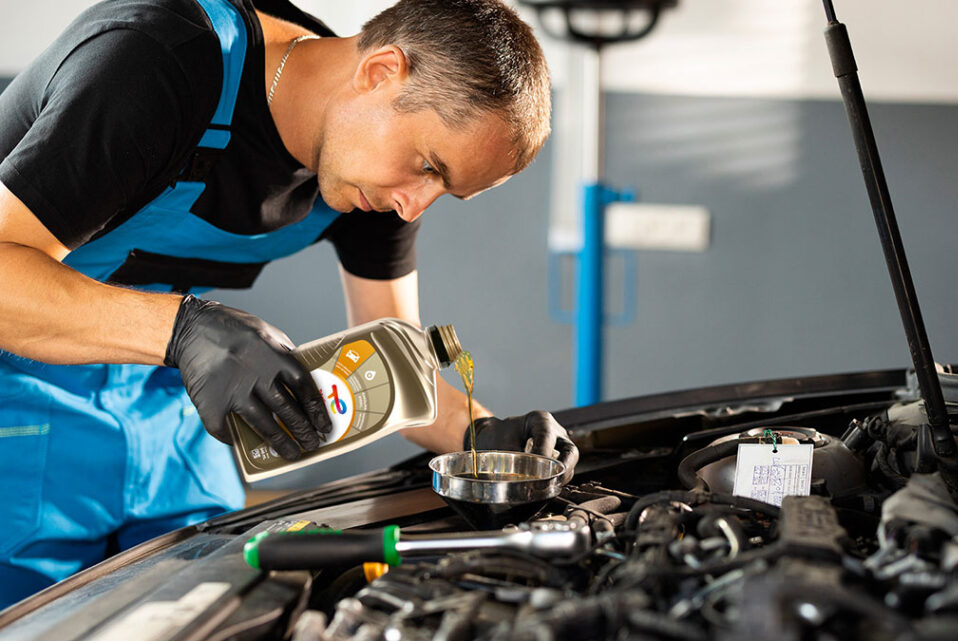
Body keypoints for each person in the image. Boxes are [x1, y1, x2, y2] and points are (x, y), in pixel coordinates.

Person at [0, 0, 578, 606]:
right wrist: (184, 331)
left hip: (168, 409)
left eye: (444, 190)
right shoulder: (158, 64)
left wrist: (486, 439)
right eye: (428, 167)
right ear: (381, 72)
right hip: (21, 406)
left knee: (213, 608)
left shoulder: (372, 177)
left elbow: (403, 379)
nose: (414, 207)